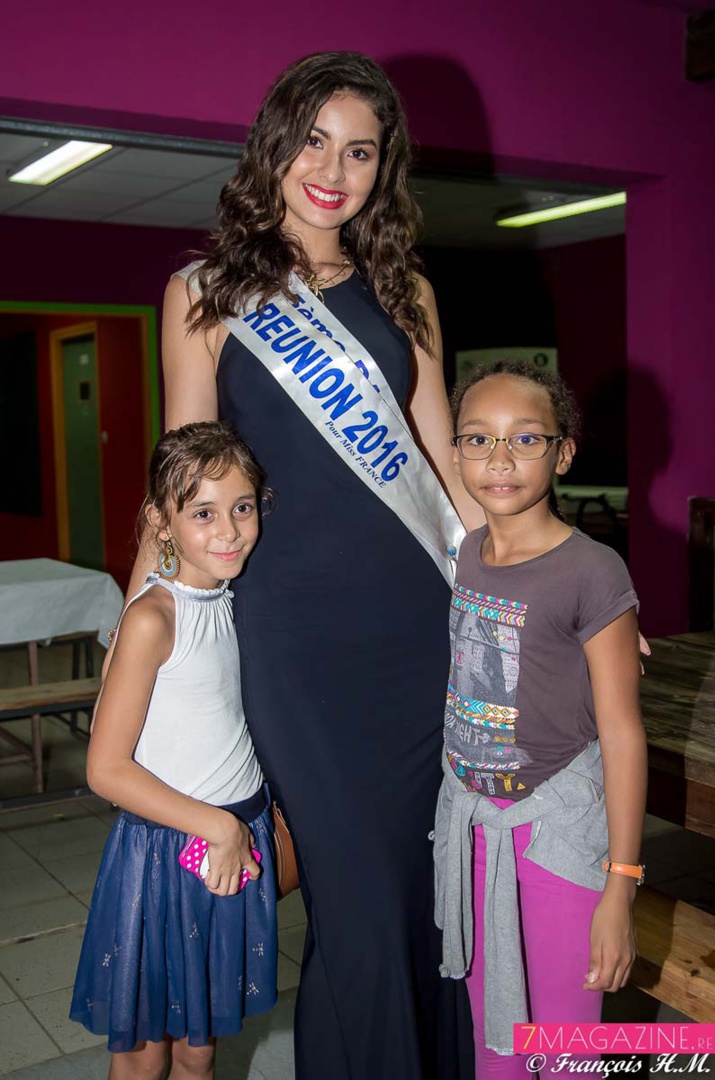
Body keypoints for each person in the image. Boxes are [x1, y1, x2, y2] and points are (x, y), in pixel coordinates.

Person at [148, 50, 480, 1080]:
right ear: (274, 145)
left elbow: (446, 475)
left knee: (430, 900)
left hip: (420, 632)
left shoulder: (404, 291)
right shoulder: (203, 295)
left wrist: (562, 597)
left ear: (385, 169)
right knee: (356, 899)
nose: (334, 167)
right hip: (292, 642)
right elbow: (182, 487)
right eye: (314, 139)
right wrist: (145, 641)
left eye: (362, 150)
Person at [433, 358, 647, 1077]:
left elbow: (621, 732)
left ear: (564, 451)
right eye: (477, 439)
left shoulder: (593, 570)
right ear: (456, 450)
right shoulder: (468, 552)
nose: (499, 459)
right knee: (496, 1040)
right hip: (475, 831)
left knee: (564, 1053)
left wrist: (621, 882)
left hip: (555, 838)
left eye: (525, 440)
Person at [70, 421, 278, 1080]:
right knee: (143, 1046)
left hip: (236, 839)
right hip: (170, 849)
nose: (229, 530)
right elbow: (104, 768)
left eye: (242, 508)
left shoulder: (231, 598)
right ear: (164, 522)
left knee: (200, 1046)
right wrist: (215, 825)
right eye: (204, 513)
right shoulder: (152, 618)